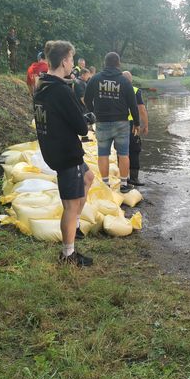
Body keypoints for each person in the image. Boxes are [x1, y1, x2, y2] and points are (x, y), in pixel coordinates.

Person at [33, 40, 94, 267]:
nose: (72, 64)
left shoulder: (42, 86)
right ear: (65, 60)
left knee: (89, 178)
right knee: (70, 205)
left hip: (53, 149)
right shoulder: (60, 90)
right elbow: (81, 127)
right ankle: (68, 254)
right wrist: (86, 118)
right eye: (70, 59)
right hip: (66, 154)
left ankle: (75, 226)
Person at [84, 52, 140, 193]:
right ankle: (123, 184)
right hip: (121, 122)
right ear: (118, 64)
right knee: (123, 154)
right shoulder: (124, 81)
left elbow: (86, 98)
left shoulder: (95, 79)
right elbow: (133, 104)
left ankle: (105, 183)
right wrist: (137, 123)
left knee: (103, 153)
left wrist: (94, 112)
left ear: (105, 63)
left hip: (102, 122)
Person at [122, 71, 149, 186]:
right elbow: (141, 109)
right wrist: (145, 124)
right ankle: (133, 178)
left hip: (118, 123)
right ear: (131, 80)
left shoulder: (116, 89)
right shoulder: (135, 90)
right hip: (133, 124)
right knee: (134, 150)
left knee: (122, 150)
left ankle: (123, 178)